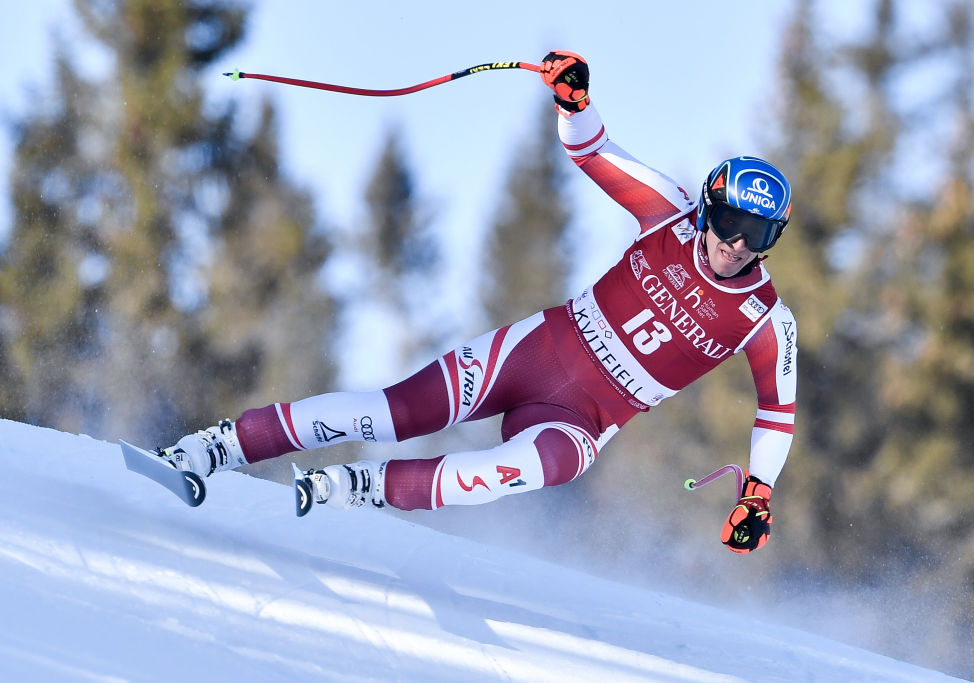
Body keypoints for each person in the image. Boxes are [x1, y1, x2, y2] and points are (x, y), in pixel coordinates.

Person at [161, 51, 797, 554]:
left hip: (584, 420)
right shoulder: (668, 214)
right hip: (537, 352)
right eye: (733, 222)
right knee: (395, 413)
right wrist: (574, 99)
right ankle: (218, 447)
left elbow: (776, 410)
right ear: (710, 206)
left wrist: (758, 495)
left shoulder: (765, 317)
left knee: (496, 474)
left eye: (761, 234)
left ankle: (353, 489)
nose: (739, 245)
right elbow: (593, 150)